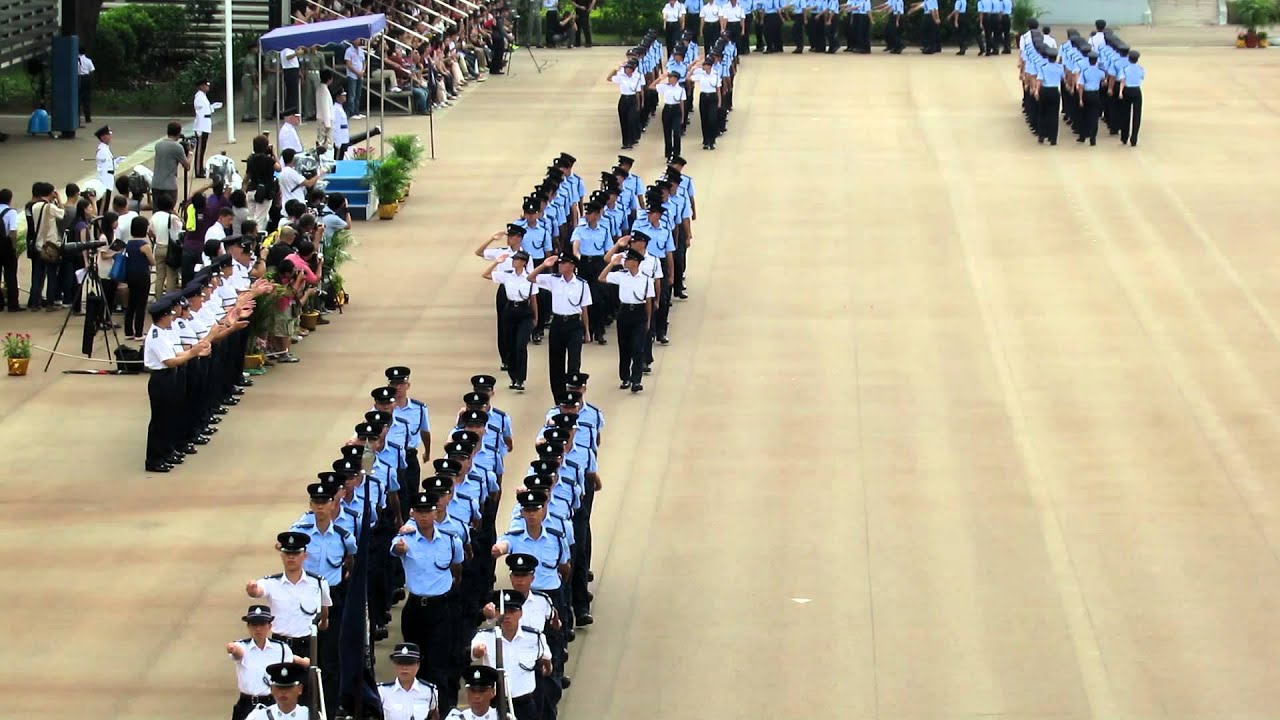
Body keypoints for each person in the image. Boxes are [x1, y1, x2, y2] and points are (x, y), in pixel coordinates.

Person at [393, 492, 464, 712]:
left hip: (441, 608)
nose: (424, 516)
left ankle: (441, 711)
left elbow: (457, 567)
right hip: (415, 608)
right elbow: (396, 548)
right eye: (419, 512)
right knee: (416, 663)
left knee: (439, 665)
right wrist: (400, 546)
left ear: (436, 512)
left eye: (428, 511)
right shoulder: (405, 538)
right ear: (413, 514)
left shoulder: (451, 540)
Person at [142, 292, 210, 472]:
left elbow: (176, 353)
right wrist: (192, 353)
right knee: (161, 420)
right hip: (162, 378)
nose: (173, 317)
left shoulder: (164, 332)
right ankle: (155, 459)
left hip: (170, 376)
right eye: (170, 315)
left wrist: (195, 351)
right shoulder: (156, 335)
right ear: (163, 316)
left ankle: (167, 451)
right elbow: (169, 361)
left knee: (172, 416)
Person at [245, 531, 330, 666]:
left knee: (308, 678)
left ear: (305, 556)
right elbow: (257, 591)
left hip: (307, 645)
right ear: (282, 555)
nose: (291, 557)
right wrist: (252, 590)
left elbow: (324, 608)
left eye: (296, 553)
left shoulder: (318, 583)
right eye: (287, 553)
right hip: (279, 645)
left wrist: (323, 623)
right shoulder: (272, 582)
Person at [470, 589, 552, 720]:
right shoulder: (485, 636)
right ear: (496, 614)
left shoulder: (534, 637)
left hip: (524, 704)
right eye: (502, 611)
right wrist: (477, 652)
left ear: (521, 613)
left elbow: (546, 659)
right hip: (496, 704)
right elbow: (473, 652)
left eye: (512, 611)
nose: (507, 616)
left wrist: (547, 670)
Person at [527, 254, 591, 397]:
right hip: (558, 324)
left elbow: (584, 308)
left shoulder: (582, 284)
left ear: (572, 266)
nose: (560, 265)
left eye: (564, 263)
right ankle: (559, 397)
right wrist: (544, 265)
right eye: (559, 263)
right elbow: (530, 278)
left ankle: (573, 395)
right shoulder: (554, 280)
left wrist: (586, 330)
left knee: (574, 362)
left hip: (574, 324)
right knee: (556, 363)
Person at [228, 606, 304, 720]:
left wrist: (303, 661)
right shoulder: (242, 646)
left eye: (262, 624)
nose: (258, 629)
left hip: (272, 704)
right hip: (247, 704)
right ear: (248, 626)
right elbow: (237, 653)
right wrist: (232, 649)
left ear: (269, 626)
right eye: (254, 625)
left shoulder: (281, 648)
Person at [598, 250, 653, 392]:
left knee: (638, 348)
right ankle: (625, 377)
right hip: (625, 312)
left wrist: (648, 320)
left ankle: (636, 380)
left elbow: (648, 302)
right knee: (624, 347)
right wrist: (612, 264)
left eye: (628, 260)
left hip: (639, 313)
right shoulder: (621, 275)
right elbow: (602, 278)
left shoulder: (646, 279)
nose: (625, 262)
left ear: (636, 262)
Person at [483, 250, 537, 391]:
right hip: (510, 311)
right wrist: (496, 262)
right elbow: (486, 274)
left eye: (516, 259)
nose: (513, 262)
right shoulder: (507, 275)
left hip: (525, 312)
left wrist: (535, 317)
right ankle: (513, 376)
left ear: (523, 262)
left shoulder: (530, 278)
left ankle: (520, 378)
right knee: (511, 345)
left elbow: (533, 299)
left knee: (521, 345)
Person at [25, 182, 65, 311]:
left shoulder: (35, 206)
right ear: (50, 193)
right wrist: (59, 199)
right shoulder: (51, 207)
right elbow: (62, 214)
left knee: (38, 275)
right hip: (50, 245)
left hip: (39, 244)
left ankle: (35, 303)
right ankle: (50, 304)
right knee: (52, 275)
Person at [380, 643, 440, 720]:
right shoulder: (382, 691)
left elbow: (434, 714)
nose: (404, 668)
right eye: (400, 663)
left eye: (409, 663)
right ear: (395, 664)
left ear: (418, 665)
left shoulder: (429, 690)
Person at [122, 216, 157, 340]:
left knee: (131, 303)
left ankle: (128, 331)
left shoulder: (129, 244)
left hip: (130, 274)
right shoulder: (144, 245)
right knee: (141, 305)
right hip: (142, 275)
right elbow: (152, 261)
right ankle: (138, 332)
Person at [243, 662, 311, 720]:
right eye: (279, 687)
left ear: (300, 689)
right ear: (272, 689)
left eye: (289, 687)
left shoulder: (308, 715)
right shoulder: (259, 716)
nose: (283, 691)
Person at [152, 122, 191, 208]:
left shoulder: (158, 145)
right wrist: (190, 153)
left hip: (156, 184)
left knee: (157, 211)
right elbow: (187, 166)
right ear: (178, 133)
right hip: (169, 186)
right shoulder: (177, 147)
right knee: (169, 210)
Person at [607, 60, 643, 150]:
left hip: (632, 99)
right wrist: (615, 70)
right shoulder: (622, 77)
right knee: (624, 121)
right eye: (626, 68)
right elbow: (609, 78)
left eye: (629, 69)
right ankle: (625, 142)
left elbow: (637, 93)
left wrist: (638, 104)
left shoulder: (636, 78)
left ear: (632, 70)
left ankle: (631, 141)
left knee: (630, 121)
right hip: (623, 99)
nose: (627, 70)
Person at [651, 71, 687, 160]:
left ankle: (676, 152)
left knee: (676, 132)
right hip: (667, 109)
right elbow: (651, 87)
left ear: (676, 79)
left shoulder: (681, 89)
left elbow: (682, 104)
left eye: (672, 78)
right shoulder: (665, 87)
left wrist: (682, 117)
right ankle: (668, 152)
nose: (670, 79)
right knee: (667, 132)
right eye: (669, 77)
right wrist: (660, 78)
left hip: (676, 110)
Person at [1034, 46, 1065, 145]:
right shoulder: (1060, 67)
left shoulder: (1043, 67)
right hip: (1054, 91)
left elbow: (1039, 80)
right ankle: (1053, 138)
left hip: (1044, 90)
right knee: (1054, 115)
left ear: (1047, 57)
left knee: (1042, 113)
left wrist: (1036, 91)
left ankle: (1042, 135)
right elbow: (1063, 78)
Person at [0, 188, 20, 312]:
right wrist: (14, 247)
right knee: (10, 275)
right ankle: (13, 304)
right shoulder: (11, 212)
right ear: (10, 199)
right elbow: (13, 231)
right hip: (6, 246)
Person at [1119, 48, 1144, 147]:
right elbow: (1142, 78)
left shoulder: (1125, 68)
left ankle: (1124, 137)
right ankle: (1134, 138)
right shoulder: (1141, 69)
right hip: (1137, 90)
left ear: (1128, 58)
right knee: (1137, 115)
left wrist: (1120, 92)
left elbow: (1123, 81)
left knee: (1125, 114)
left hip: (1127, 90)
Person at [193, 79, 213, 177]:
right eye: (205, 85)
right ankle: (198, 170)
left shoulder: (203, 96)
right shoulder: (199, 97)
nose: (207, 87)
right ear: (201, 86)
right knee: (200, 149)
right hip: (201, 125)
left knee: (203, 148)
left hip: (206, 124)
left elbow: (206, 110)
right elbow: (199, 114)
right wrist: (199, 129)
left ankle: (200, 168)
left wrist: (212, 107)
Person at [94, 125, 116, 214]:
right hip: (104, 182)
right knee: (102, 208)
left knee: (105, 205)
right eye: (108, 134)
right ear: (103, 137)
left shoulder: (105, 148)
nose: (110, 136)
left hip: (108, 181)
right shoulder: (102, 150)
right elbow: (102, 168)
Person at [344, 38, 367, 119]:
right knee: (352, 95)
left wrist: (363, 71)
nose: (357, 41)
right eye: (356, 40)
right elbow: (348, 64)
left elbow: (363, 62)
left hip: (360, 75)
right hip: (352, 75)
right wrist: (357, 72)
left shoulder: (361, 50)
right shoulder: (348, 51)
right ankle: (351, 112)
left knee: (358, 94)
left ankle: (357, 111)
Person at [314, 68, 335, 152]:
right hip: (325, 120)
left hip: (322, 118)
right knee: (326, 143)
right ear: (330, 79)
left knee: (322, 141)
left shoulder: (320, 89)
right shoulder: (324, 91)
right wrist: (327, 124)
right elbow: (325, 107)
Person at [332, 88, 351, 160]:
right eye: (342, 95)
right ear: (337, 97)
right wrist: (338, 142)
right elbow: (336, 127)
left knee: (341, 158)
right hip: (340, 140)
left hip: (344, 138)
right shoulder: (336, 110)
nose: (344, 97)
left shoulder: (340, 108)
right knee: (338, 159)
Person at [77, 50, 95, 127]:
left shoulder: (75, 60)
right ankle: (87, 117)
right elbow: (92, 70)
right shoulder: (88, 60)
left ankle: (77, 117)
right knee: (86, 99)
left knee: (77, 98)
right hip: (86, 78)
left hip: (77, 78)